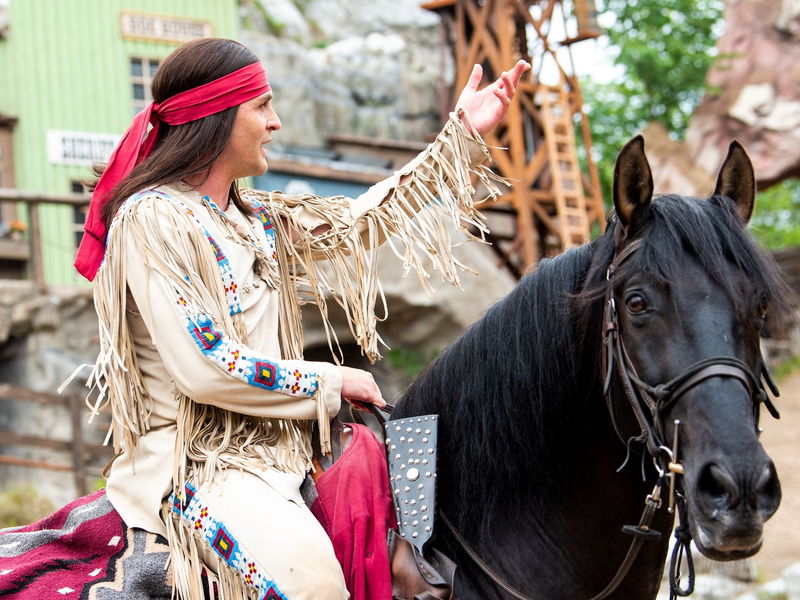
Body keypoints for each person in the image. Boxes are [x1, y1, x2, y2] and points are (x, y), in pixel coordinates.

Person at [75, 37, 529, 600]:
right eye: (261, 106)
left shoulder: (252, 218)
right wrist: (335, 381)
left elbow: (359, 222)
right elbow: (206, 365)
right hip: (197, 468)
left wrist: (459, 136)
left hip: (280, 454)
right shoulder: (152, 219)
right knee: (312, 586)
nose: (276, 122)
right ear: (216, 118)